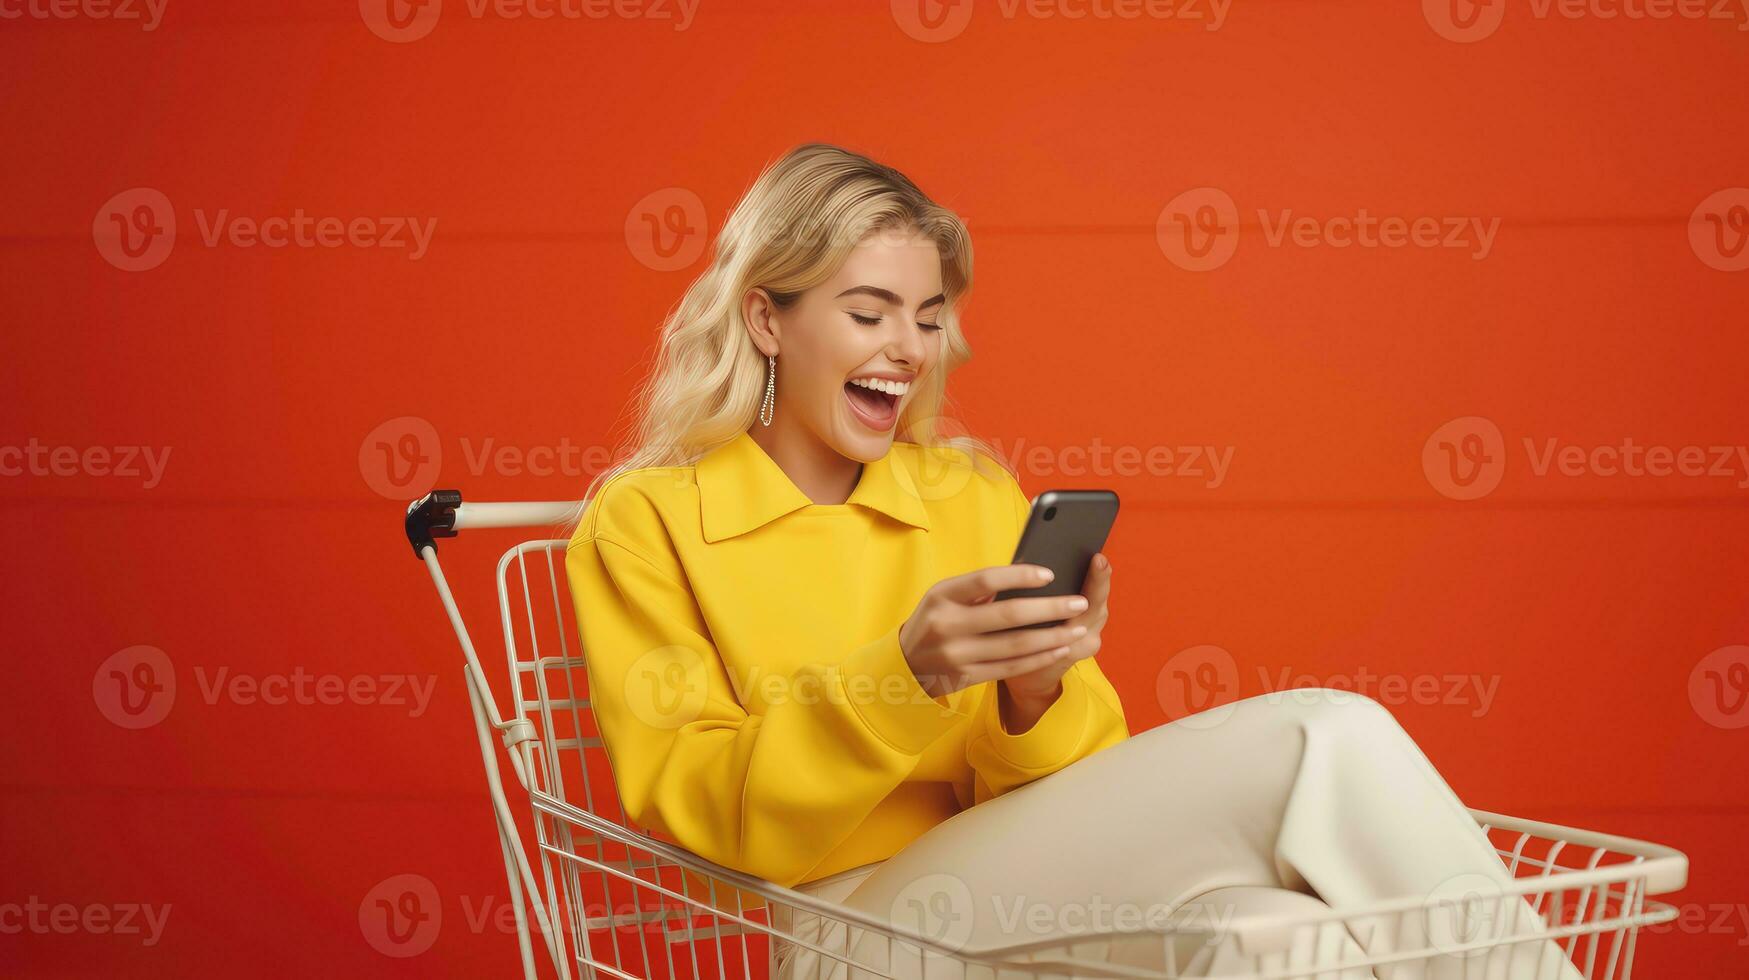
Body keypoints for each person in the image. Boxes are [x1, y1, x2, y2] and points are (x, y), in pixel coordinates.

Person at [564, 143, 1577, 979]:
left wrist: (1034, 695)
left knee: (1276, 938)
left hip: (1010, 899)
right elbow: (709, 808)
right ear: (765, 319)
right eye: (869, 312)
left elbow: (1083, 795)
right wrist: (906, 672)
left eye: (927, 317)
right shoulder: (646, 521)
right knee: (1327, 735)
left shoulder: (967, 495)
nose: (908, 348)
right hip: (848, 934)